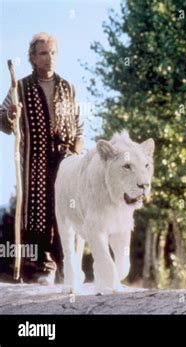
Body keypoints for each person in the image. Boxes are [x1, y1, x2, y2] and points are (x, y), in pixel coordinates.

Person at [0, 32, 83, 284]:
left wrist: (78, 147)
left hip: (66, 159)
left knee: (68, 209)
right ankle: (41, 267)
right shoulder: (20, 87)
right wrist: (11, 115)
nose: (50, 58)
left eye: (53, 53)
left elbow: (78, 123)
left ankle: (70, 265)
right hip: (35, 159)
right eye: (44, 53)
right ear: (33, 58)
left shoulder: (67, 87)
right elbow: (3, 119)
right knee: (37, 209)